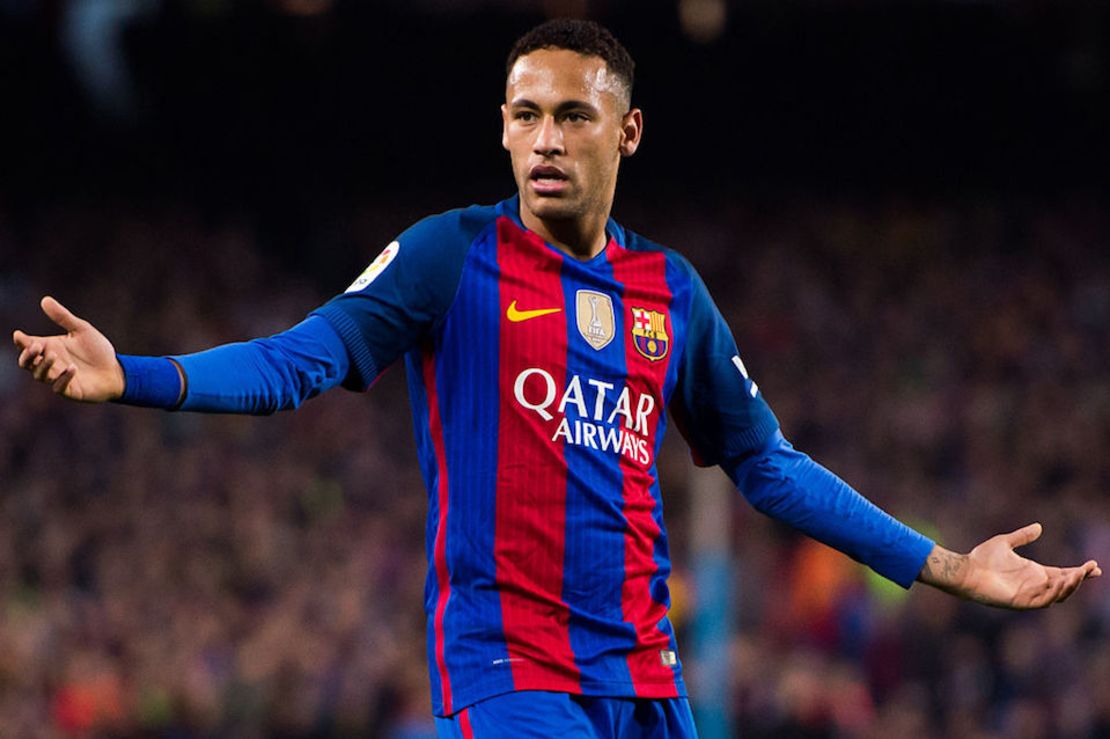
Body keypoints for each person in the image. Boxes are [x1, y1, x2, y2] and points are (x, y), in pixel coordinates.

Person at [11, 18, 1101, 739]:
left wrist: (950, 565)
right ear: (501, 126)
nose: (544, 138)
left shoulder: (670, 293)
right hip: (509, 673)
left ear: (624, 130)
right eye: (524, 114)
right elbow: (302, 359)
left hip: (645, 676)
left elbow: (766, 464)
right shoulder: (452, 255)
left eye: (571, 114)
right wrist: (139, 376)